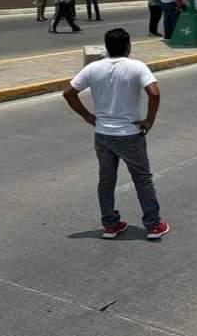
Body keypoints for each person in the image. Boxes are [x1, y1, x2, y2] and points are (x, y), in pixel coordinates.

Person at [63, 28, 170, 240]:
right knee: (142, 179)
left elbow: (68, 93)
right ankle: (153, 225)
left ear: (107, 46)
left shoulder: (93, 68)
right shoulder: (137, 67)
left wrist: (87, 116)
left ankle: (110, 225)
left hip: (103, 133)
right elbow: (154, 93)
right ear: (128, 46)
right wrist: (149, 120)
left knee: (106, 180)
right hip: (130, 133)